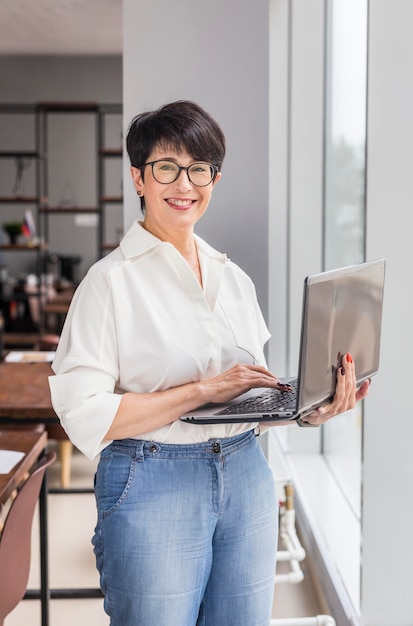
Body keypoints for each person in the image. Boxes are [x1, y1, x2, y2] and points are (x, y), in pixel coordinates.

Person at [49, 100, 369, 626]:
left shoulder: (232, 277)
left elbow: (244, 396)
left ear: (213, 179)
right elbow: (83, 413)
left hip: (246, 474)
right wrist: (200, 391)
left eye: (200, 169)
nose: (185, 184)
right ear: (138, 177)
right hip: (153, 478)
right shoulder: (109, 283)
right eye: (167, 168)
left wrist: (310, 408)